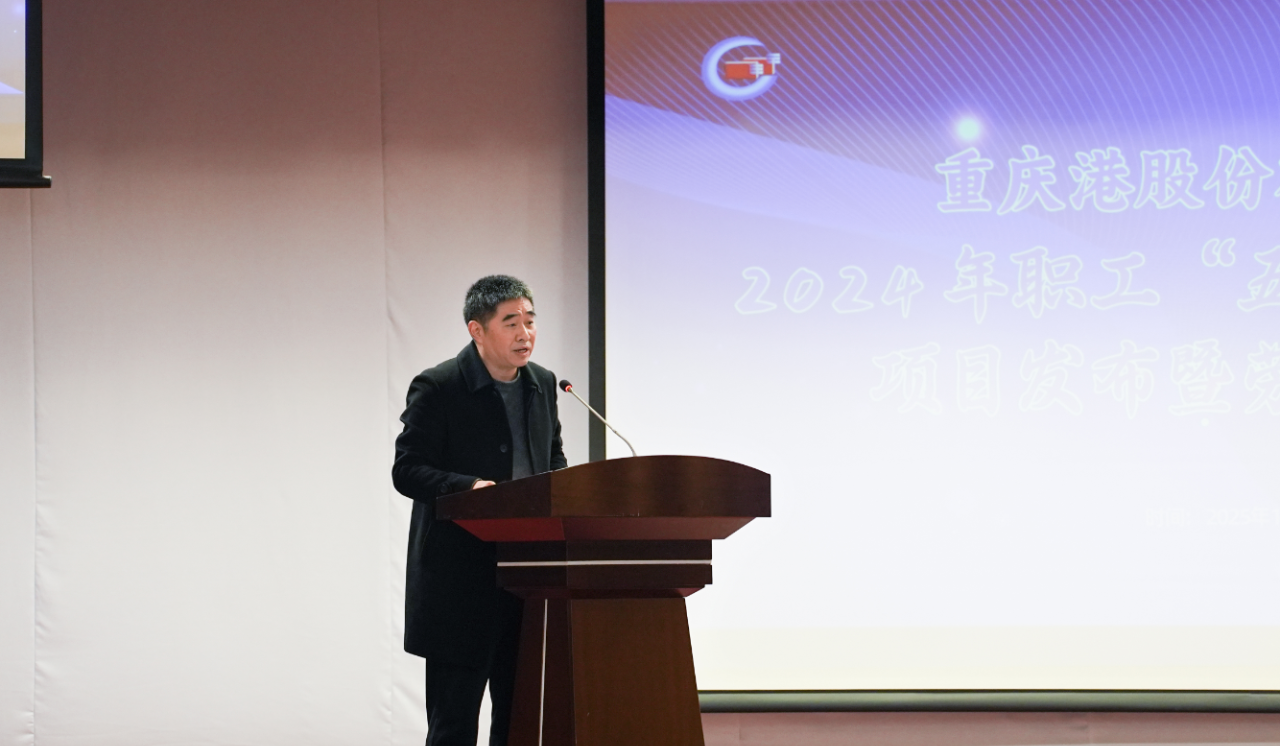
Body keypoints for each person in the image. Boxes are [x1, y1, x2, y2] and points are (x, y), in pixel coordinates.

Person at [392, 275, 567, 746]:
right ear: (477, 330)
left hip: (527, 582)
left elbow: (552, 457)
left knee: (519, 724)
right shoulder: (439, 386)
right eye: (511, 323)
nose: (525, 334)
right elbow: (407, 470)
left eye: (530, 321)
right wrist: (468, 488)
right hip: (460, 586)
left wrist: (562, 488)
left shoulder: (543, 384)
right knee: (454, 726)